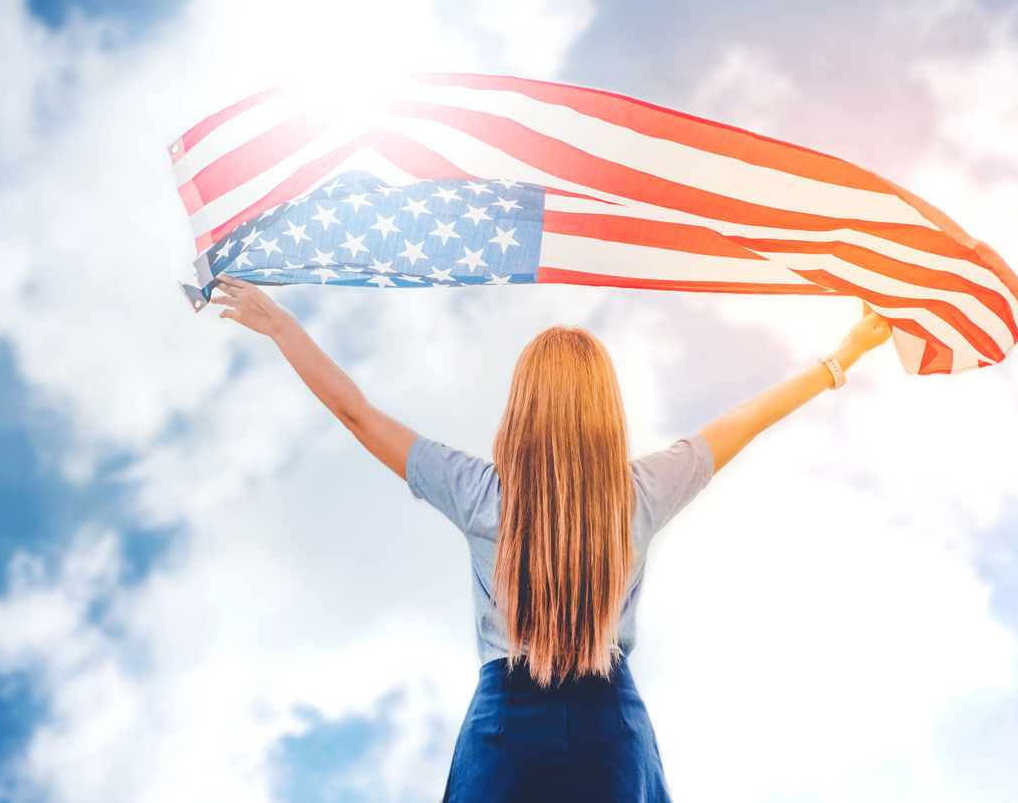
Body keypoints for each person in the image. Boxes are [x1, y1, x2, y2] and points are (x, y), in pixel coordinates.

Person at [210, 272, 893, 801]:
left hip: (505, 729)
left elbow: (356, 412)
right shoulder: (641, 491)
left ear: (522, 405)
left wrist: (280, 325)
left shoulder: (479, 491)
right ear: (605, 410)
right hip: (610, 730)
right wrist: (840, 359)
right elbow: (744, 421)